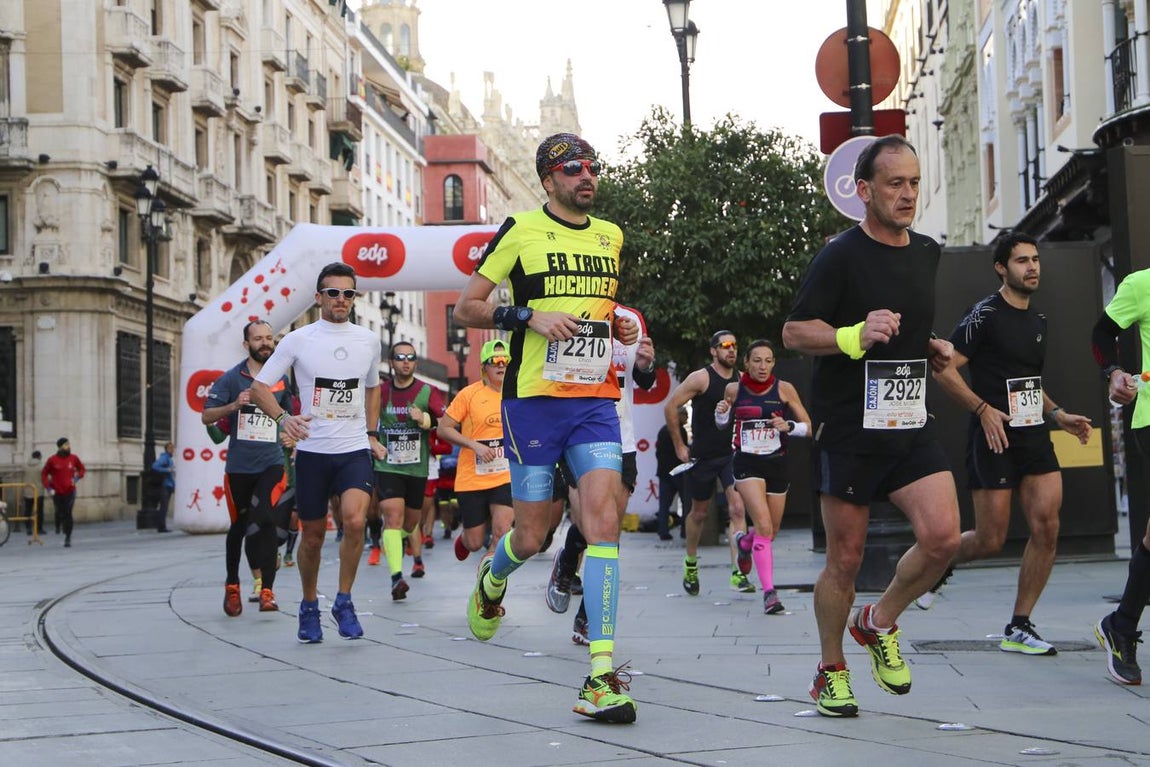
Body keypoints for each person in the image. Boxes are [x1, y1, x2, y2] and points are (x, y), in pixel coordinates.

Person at [452, 132, 639, 723]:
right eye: (573, 168)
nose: (587, 175)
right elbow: (468, 306)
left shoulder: (610, 236)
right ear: (548, 179)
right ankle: (493, 577)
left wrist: (628, 327)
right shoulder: (520, 231)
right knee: (531, 538)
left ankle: (601, 674)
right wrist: (528, 315)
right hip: (532, 403)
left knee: (604, 522)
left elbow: (606, 310)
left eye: (593, 166)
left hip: (594, 400)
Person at [781, 135, 960, 718]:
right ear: (864, 191)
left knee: (942, 539)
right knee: (846, 559)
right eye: (894, 184)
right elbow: (794, 331)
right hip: (851, 427)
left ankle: (878, 620)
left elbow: (904, 329)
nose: (908, 194)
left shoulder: (928, 251)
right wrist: (853, 335)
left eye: (913, 182)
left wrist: (928, 347)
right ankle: (830, 670)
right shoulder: (840, 255)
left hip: (909, 417)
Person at [929, 232, 1092, 654]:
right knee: (989, 539)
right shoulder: (984, 314)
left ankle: (1019, 625)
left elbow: (1030, 384)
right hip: (995, 435)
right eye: (1022, 261)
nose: (1032, 267)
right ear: (1002, 267)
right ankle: (939, 562)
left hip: (1034, 433)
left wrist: (1058, 415)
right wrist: (982, 410)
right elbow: (943, 370)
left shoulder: (1038, 321)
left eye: (1035, 259)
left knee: (1047, 527)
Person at [249, 262, 385, 642]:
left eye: (348, 294)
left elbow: (372, 387)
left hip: (354, 447)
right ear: (318, 297)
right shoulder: (298, 340)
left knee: (356, 522)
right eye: (333, 293)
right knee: (311, 535)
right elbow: (260, 388)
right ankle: (309, 605)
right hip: (313, 450)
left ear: (354, 298)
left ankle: (344, 600)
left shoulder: (368, 340)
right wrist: (283, 419)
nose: (341, 300)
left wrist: (372, 432)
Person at [547, 303, 657, 646]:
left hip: (619, 434)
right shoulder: (560, 308)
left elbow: (644, 380)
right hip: (576, 433)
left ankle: (587, 615)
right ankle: (567, 562)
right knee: (592, 523)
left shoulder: (631, 317)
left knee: (609, 530)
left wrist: (645, 363)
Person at [202, 321, 294, 617]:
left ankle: (267, 591)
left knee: (264, 520)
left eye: (269, 338)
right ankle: (232, 585)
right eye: (258, 339)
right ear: (247, 345)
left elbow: (292, 412)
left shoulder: (280, 380)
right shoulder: (232, 378)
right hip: (239, 467)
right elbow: (206, 416)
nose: (265, 343)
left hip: (271, 463)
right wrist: (233, 406)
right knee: (241, 526)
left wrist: (290, 430)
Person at [715, 339, 812, 615]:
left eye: (768, 360)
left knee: (770, 531)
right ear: (746, 362)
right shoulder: (734, 388)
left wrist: (789, 425)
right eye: (757, 360)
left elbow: (807, 427)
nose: (762, 366)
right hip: (747, 463)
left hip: (776, 463)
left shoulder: (784, 389)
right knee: (765, 526)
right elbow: (723, 423)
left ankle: (744, 544)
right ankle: (770, 593)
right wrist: (720, 414)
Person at [1091, 265, 1150, 685]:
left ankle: (1122, 624)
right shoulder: (1141, 284)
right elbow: (1100, 335)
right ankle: (1122, 625)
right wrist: (1112, 372)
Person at [663, 330, 752, 595]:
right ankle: (691, 562)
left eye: (735, 345)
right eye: (725, 345)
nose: (732, 350)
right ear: (713, 350)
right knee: (698, 513)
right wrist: (680, 444)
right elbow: (671, 407)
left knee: (737, 509)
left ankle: (738, 571)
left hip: (732, 454)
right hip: (702, 455)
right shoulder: (701, 378)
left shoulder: (742, 380)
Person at [369, 340, 446, 599]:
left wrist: (425, 419)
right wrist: (373, 441)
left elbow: (447, 422)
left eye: (410, 357)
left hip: (416, 467)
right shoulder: (379, 392)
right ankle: (396, 578)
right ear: (391, 362)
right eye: (400, 357)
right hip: (387, 464)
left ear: (415, 362)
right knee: (392, 516)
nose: (405, 361)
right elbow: (365, 421)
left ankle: (392, 539)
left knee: (411, 522)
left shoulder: (428, 391)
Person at [437, 339, 514, 562]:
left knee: (501, 533)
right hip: (473, 477)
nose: (501, 365)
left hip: (504, 475)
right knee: (474, 542)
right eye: (494, 361)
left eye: (505, 360)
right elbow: (443, 428)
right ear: (484, 367)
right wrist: (474, 445)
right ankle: (464, 539)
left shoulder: (517, 393)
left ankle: (488, 582)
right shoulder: (468, 395)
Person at [42, 438, 85, 547]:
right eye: (66, 445)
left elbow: (82, 469)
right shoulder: (52, 460)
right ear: (60, 447)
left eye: (69, 444)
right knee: (60, 512)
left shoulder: (74, 458)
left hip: (70, 491)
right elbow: (44, 474)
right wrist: (48, 487)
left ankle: (68, 537)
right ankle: (62, 526)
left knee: (68, 513)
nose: (69, 446)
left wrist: (77, 477)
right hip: (57, 491)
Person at [655, 409, 689, 541]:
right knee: (686, 502)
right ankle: (685, 531)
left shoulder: (663, 430)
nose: (686, 419)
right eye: (685, 415)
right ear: (679, 416)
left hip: (664, 472)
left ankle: (663, 530)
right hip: (678, 471)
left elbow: (659, 453)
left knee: (664, 504)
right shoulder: (680, 431)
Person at [152, 442, 175, 533]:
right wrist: (167, 470)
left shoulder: (169, 458)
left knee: (164, 506)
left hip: (168, 485)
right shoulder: (164, 458)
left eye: (173, 447)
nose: (172, 449)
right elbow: (155, 466)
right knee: (163, 506)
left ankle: (162, 525)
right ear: (167, 449)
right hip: (165, 485)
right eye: (170, 448)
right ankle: (161, 526)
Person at [21, 450, 42, 536]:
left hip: (27, 490)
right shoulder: (41, 466)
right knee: (39, 511)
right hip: (38, 491)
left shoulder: (25, 466)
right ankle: (39, 528)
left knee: (28, 510)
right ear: (39, 457)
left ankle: (28, 527)